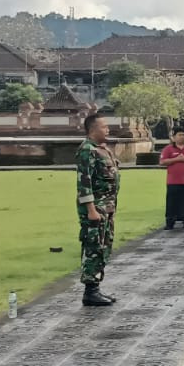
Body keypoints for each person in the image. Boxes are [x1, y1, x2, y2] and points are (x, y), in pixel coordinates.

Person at [75, 112, 120, 307]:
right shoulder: (87, 150)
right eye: (104, 127)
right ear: (93, 130)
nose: (107, 130)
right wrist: (91, 210)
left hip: (106, 207)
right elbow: (84, 183)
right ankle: (90, 291)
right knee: (93, 246)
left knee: (103, 246)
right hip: (96, 208)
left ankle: (96, 287)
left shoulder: (102, 149)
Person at [160, 130, 184, 230]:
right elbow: (162, 162)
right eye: (180, 135)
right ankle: (170, 223)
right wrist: (177, 159)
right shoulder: (168, 149)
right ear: (174, 137)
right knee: (172, 203)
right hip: (173, 181)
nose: (182, 137)